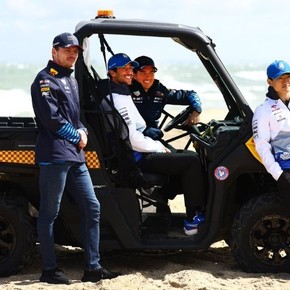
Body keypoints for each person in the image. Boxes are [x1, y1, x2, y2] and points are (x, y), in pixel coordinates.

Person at [31, 32, 120, 284]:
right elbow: (52, 120)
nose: (72, 54)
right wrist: (77, 135)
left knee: (92, 207)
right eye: (67, 50)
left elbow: (75, 115)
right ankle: (49, 270)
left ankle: (92, 267)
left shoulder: (72, 80)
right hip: (55, 155)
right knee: (49, 213)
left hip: (75, 156)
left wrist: (82, 129)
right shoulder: (44, 80)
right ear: (54, 52)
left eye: (76, 51)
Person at [100, 53, 206, 236]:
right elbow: (132, 138)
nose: (130, 73)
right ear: (112, 72)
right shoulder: (119, 98)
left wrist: (196, 108)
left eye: (130, 69)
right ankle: (192, 221)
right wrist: (158, 147)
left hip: (143, 145)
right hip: (137, 154)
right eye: (126, 69)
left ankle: (162, 197)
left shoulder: (125, 92)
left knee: (187, 158)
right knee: (193, 162)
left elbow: (187, 95)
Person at [130, 55, 202, 141]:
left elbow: (190, 94)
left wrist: (197, 109)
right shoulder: (125, 91)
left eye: (151, 73)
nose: (148, 76)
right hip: (133, 136)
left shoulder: (160, 91)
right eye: (143, 73)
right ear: (134, 75)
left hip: (153, 138)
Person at [252, 60, 290, 205]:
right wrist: (279, 175)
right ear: (270, 81)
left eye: (288, 77)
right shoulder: (263, 110)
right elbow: (261, 146)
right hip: (286, 169)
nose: (285, 81)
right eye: (280, 78)